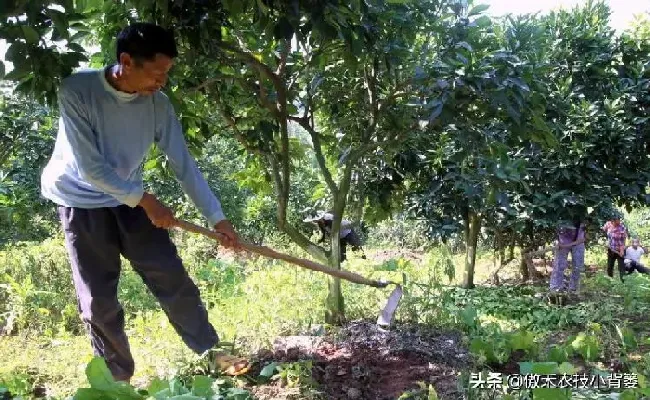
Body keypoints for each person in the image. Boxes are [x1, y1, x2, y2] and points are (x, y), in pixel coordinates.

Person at [40, 23, 249, 383]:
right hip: (80, 201)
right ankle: (117, 381)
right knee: (99, 301)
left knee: (170, 275)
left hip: (131, 200)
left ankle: (213, 352)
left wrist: (217, 218)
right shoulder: (78, 90)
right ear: (126, 61)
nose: (161, 82)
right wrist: (146, 200)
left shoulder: (157, 105)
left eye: (166, 74)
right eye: (156, 73)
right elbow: (91, 169)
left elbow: (184, 165)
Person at [549, 217, 587, 295]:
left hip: (577, 244)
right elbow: (556, 234)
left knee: (577, 266)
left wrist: (567, 245)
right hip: (562, 243)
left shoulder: (580, 222)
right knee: (559, 265)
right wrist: (557, 242)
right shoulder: (560, 219)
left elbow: (582, 239)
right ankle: (555, 288)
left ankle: (573, 289)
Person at [602, 215, 628, 282]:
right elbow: (603, 230)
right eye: (616, 222)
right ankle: (610, 281)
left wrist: (622, 250)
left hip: (620, 249)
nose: (617, 223)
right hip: (611, 250)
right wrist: (605, 241)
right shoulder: (608, 224)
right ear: (612, 222)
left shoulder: (622, 227)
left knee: (621, 267)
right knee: (610, 267)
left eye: (618, 222)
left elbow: (624, 239)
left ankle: (624, 282)